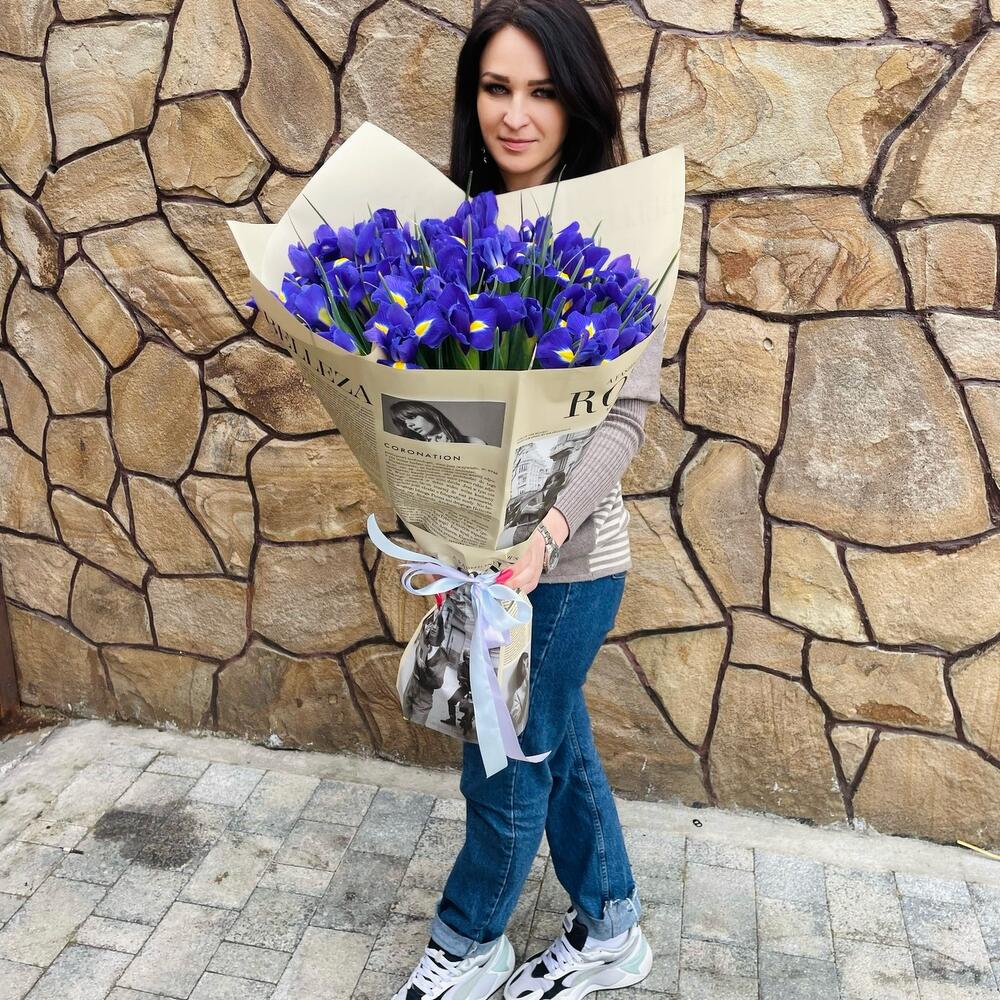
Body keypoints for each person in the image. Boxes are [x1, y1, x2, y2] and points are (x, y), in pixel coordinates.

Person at [392, 2, 663, 998]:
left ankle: (468, 944)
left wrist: (541, 535)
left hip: (569, 564)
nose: (516, 114)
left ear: (577, 101)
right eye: (496, 87)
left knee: (503, 766)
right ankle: (612, 927)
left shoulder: (623, 234)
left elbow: (625, 418)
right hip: (480, 559)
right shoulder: (452, 233)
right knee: (558, 744)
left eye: (543, 91)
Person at [389, 400, 487, 444]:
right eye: (404, 423)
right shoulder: (410, 444)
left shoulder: (475, 443)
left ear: (429, 413)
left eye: (411, 417)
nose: (409, 425)